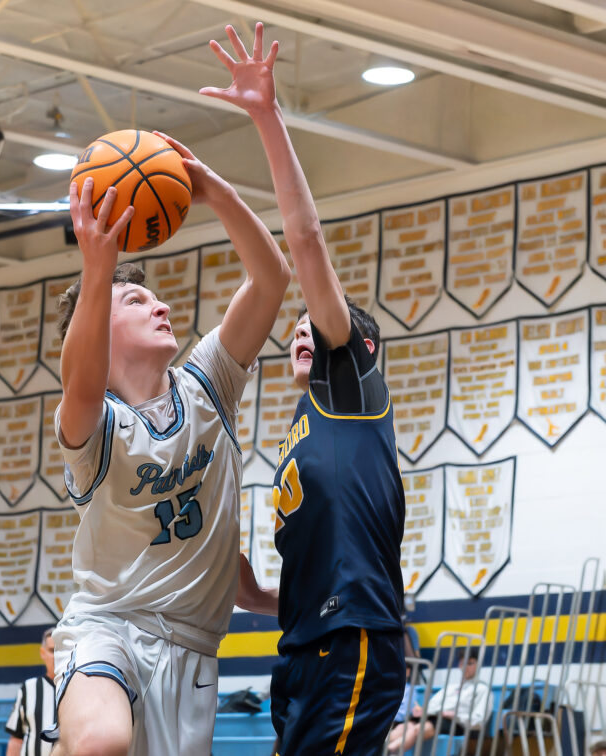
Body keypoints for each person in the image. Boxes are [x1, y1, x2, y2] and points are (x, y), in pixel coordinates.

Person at [49, 124, 291, 755]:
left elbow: (271, 279)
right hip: (108, 629)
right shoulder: (93, 425)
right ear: (101, 328)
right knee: (102, 741)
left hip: (194, 650)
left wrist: (215, 192)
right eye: (135, 299)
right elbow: (77, 381)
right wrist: (96, 270)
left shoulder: (206, 383)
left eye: (155, 296)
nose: (158, 305)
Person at [203, 23, 406, 753]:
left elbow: (308, 244)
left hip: (355, 635)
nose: (303, 328)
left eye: (317, 321)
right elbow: (281, 585)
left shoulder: (351, 387)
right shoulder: (302, 423)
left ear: (359, 344)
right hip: (304, 643)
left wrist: (266, 117)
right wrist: (237, 577)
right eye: (299, 324)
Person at [386, 649, 490, 753]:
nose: (466, 667)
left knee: (417, 729)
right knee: (402, 727)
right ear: (459, 665)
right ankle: (379, 749)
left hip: (457, 723)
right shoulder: (451, 687)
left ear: (478, 665)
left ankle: (388, 751)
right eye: (463, 663)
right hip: (435, 717)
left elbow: (479, 720)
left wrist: (455, 715)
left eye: (470, 663)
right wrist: (422, 711)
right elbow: (432, 705)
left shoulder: (482, 689)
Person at [6, 628, 56, 756]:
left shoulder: (78, 689)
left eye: (62, 650)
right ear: (42, 653)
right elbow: (16, 738)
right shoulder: (28, 688)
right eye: (52, 650)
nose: (57, 656)